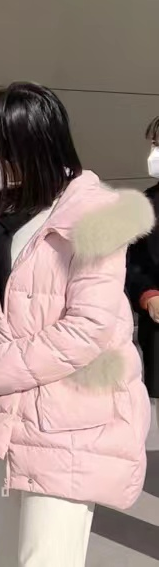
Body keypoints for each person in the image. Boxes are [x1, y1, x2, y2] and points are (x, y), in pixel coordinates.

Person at [0, 82, 151, 567]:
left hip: (65, 424)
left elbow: (85, 328)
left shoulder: (91, 219)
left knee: (45, 560)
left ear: (25, 150)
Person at [126, 115, 159, 424]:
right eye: (155, 144)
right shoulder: (145, 205)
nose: (155, 153)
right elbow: (132, 264)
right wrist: (148, 295)